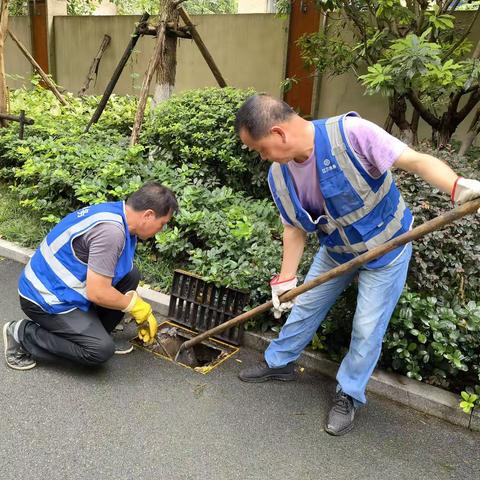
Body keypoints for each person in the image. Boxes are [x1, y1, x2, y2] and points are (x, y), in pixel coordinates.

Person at [234, 94, 480, 436]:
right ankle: (279, 363)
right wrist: (287, 280)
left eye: (260, 148)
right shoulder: (280, 175)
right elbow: (294, 227)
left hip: (387, 252)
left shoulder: (351, 134)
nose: (262, 157)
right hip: (337, 251)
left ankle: (348, 393)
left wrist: (458, 187)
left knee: (366, 327)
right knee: (303, 307)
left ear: (278, 134)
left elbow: (414, 160)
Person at [3, 181, 178, 371]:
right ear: (148, 215)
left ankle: (94, 332)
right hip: (44, 297)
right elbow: (98, 293)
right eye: (162, 224)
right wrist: (133, 305)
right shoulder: (111, 233)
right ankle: (23, 335)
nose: (161, 230)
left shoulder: (119, 214)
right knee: (99, 350)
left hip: (63, 287)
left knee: (131, 275)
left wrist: (136, 303)